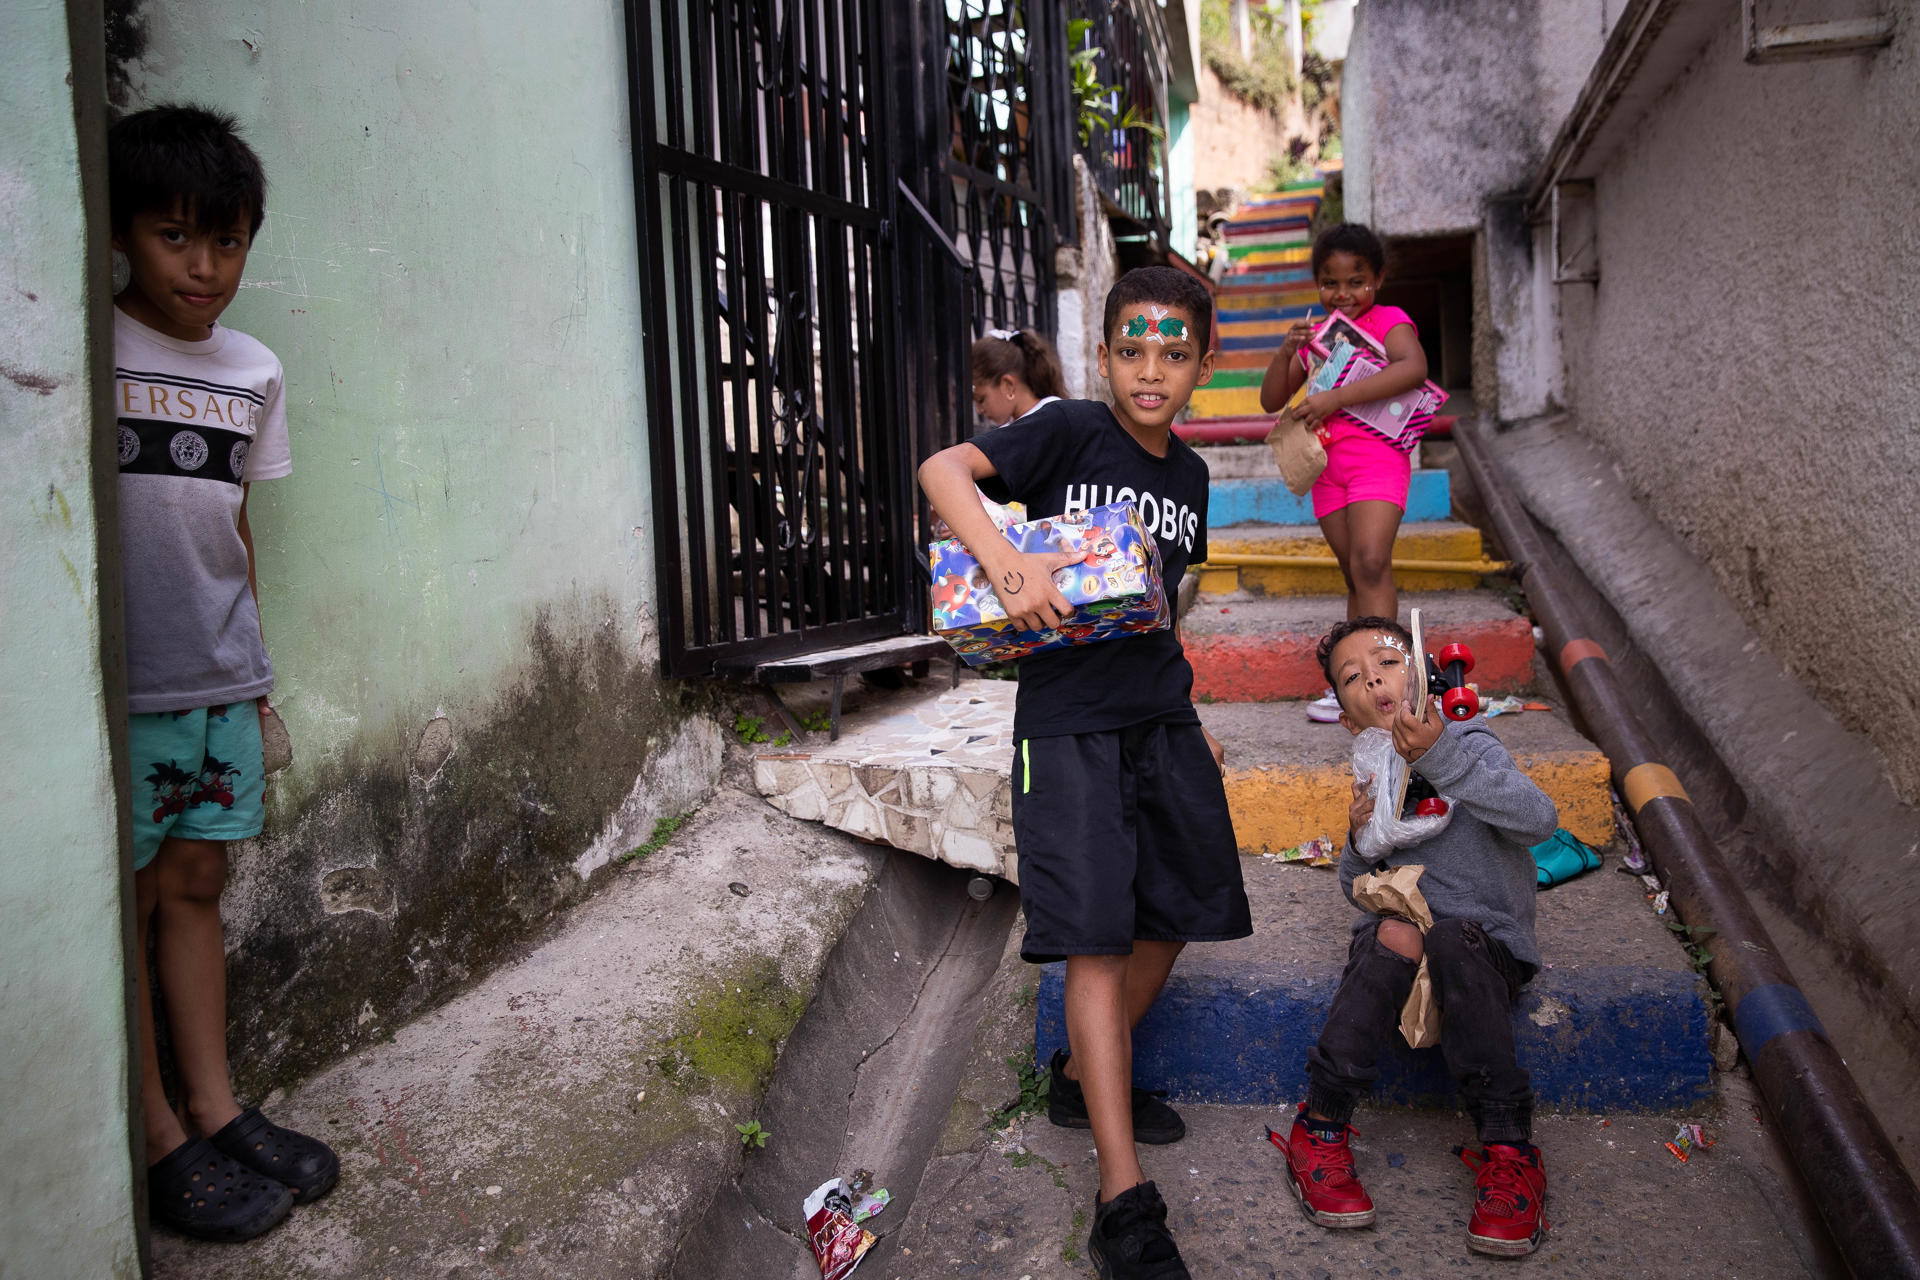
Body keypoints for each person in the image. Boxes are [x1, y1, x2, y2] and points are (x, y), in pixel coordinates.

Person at [920, 267, 1248, 1279]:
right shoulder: (1065, 433)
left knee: (1180, 907)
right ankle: (1122, 1195)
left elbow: (1163, 602)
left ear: (1203, 362)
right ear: (1104, 353)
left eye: (1174, 351)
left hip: (1161, 714)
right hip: (1065, 724)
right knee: (1095, 939)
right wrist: (1005, 563)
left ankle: (1073, 1074)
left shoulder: (1191, 481)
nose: (1152, 369)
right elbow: (943, 470)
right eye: (1132, 348)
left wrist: (1196, 712)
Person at [109, 104, 338, 1241]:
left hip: (220, 672)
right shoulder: (89, 352)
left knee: (197, 884)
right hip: (126, 692)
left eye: (229, 240)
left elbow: (230, 519)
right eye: (173, 237)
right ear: (122, 237)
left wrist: (253, 672)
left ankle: (215, 1101)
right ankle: (158, 1132)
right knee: (131, 899)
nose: (205, 268)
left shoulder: (253, 369)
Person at [1277, 617, 1557, 1257]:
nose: (1373, 676)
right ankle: (1320, 1127)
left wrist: (1441, 758)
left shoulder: (1470, 743)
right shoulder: (1372, 767)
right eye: (1352, 677)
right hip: (1403, 946)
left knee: (1454, 936)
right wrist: (1355, 840)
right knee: (1397, 932)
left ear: (1427, 676)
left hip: (1479, 949)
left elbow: (1537, 819)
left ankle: (1509, 1149)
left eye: (1388, 661)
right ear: (1347, 718)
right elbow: (1359, 884)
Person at [1257, 224, 1429, 626]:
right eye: (1329, 282)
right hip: (1326, 469)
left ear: (1378, 279)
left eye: (1357, 282)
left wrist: (1334, 398)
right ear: (1317, 283)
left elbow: (1414, 368)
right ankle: (1360, 679)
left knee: (1371, 563)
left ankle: (1388, 668)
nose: (1342, 293)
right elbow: (1270, 400)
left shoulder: (1390, 320)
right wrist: (1286, 352)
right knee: (1354, 574)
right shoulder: (1318, 336)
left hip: (1378, 460)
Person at [971, 326, 1065, 426]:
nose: (979, 411)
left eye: (981, 400)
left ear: (1008, 385)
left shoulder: (1056, 417)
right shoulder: (1008, 429)